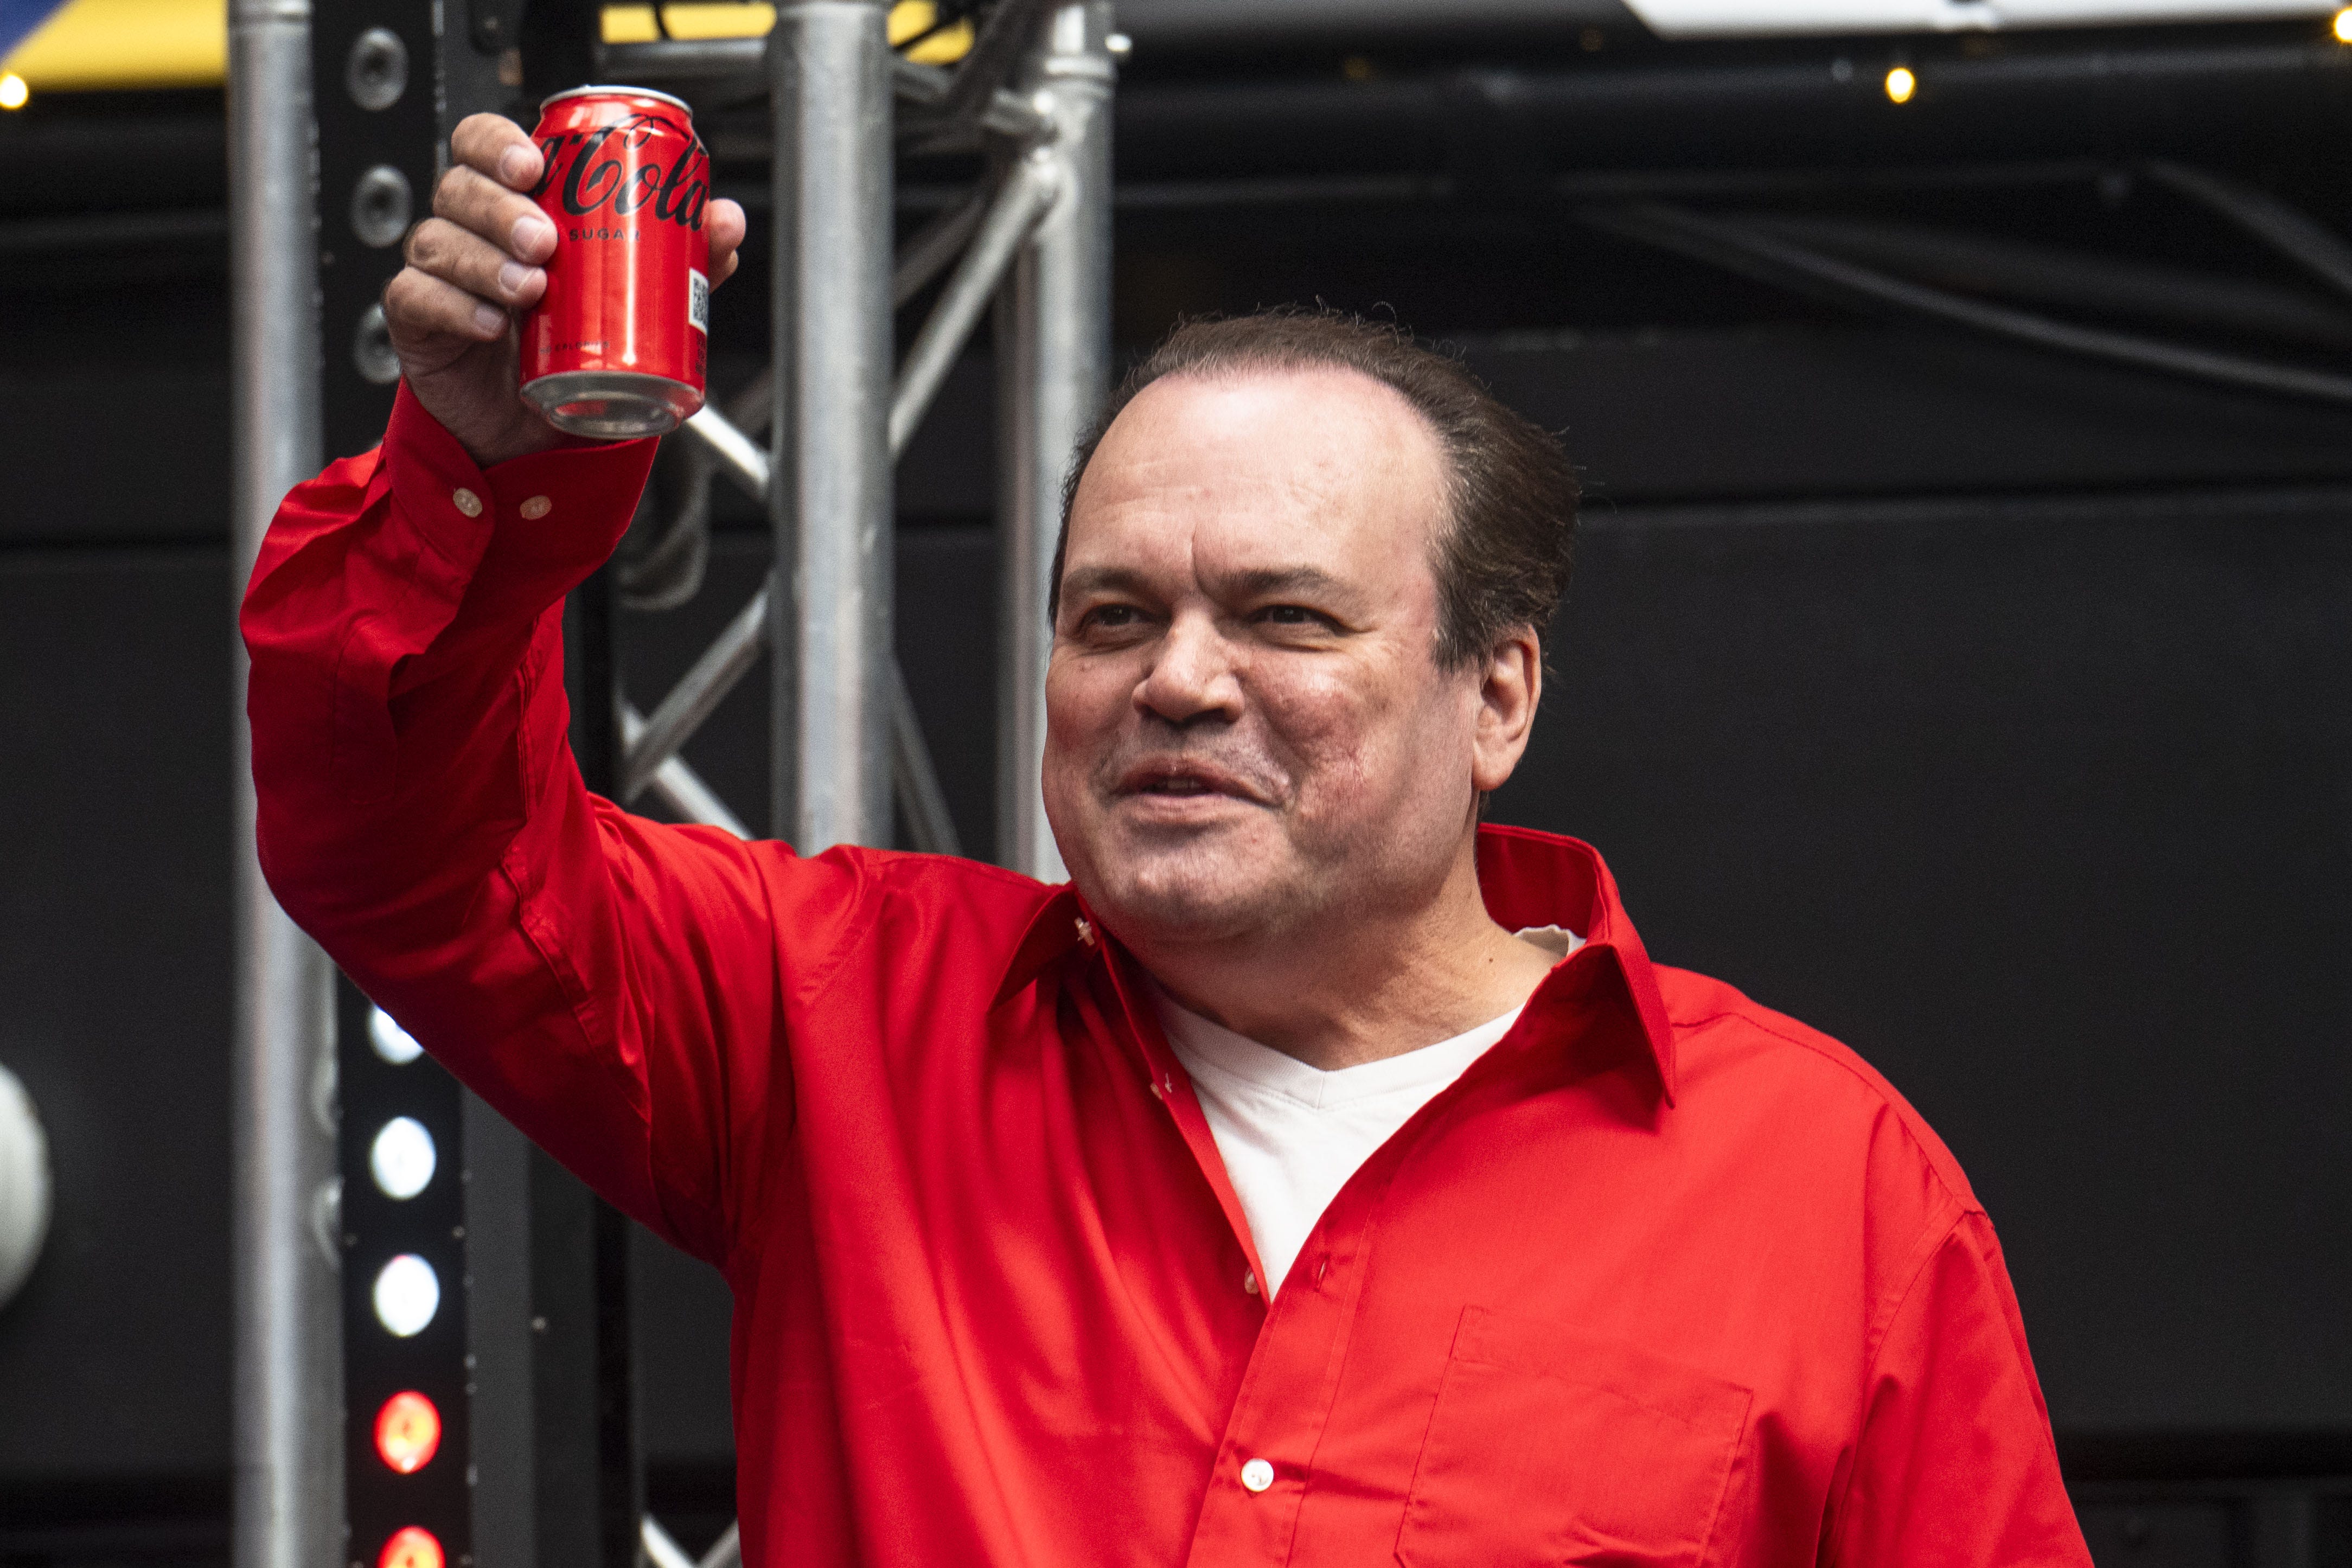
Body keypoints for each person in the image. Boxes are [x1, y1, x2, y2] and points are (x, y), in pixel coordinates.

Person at [244, 114, 2094, 1566]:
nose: (1178, 683)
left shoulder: (1822, 1186)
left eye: (1285, 618)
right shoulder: (839, 1028)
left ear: (1498, 694)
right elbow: (397, 837)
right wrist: (480, 463)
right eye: (1111, 617)